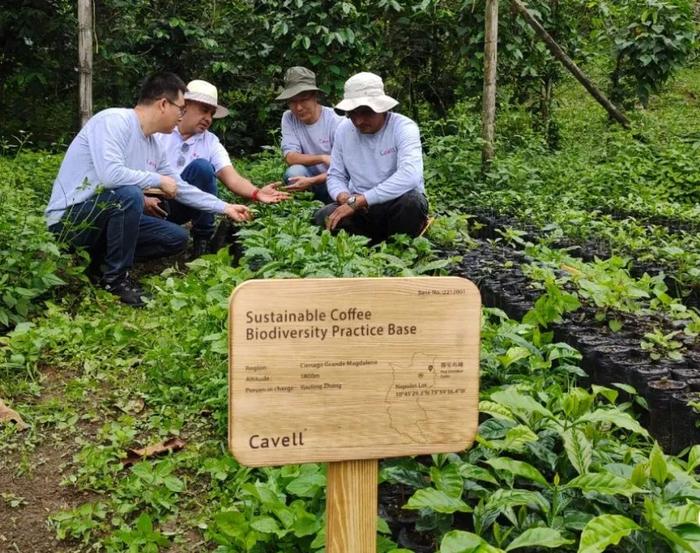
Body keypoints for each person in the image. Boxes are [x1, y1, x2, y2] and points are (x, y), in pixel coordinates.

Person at [45, 72, 252, 307]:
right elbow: (110, 175)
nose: (181, 116)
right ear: (163, 104)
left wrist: (225, 207)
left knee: (175, 237)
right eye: (180, 109)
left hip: (104, 220)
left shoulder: (153, 144)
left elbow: (180, 187)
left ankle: (100, 262)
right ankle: (115, 281)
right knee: (128, 194)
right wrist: (157, 180)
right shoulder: (113, 121)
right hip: (70, 222)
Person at [156, 79, 289, 258]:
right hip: (151, 203)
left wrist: (256, 193)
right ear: (184, 105)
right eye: (204, 110)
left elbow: (231, 177)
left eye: (211, 113)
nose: (209, 119)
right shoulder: (160, 131)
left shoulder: (209, 141)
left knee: (202, 168)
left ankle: (202, 240)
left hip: (183, 204)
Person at [314, 72, 428, 244]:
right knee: (324, 215)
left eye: (366, 112)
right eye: (352, 113)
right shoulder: (343, 130)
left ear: (383, 108)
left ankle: (397, 244)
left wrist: (361, 200)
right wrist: (344, 197)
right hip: (360, 208)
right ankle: (372, 242)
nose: (359, 121)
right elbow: (336, 175)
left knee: (411, 203)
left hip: (395, 201)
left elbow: (410, 175)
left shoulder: (403, 127)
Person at [275, 66, 343, 204]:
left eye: (303, 99)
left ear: (315, 97)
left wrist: (312, 180)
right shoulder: (289, 117)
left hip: (335, 181)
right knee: (293, 173)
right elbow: (290, 157)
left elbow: (347, 170)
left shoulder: (336, 122)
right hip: (307, 180)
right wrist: (323, 158)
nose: (298, 108)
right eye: (293, 102)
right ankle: (305, 212)